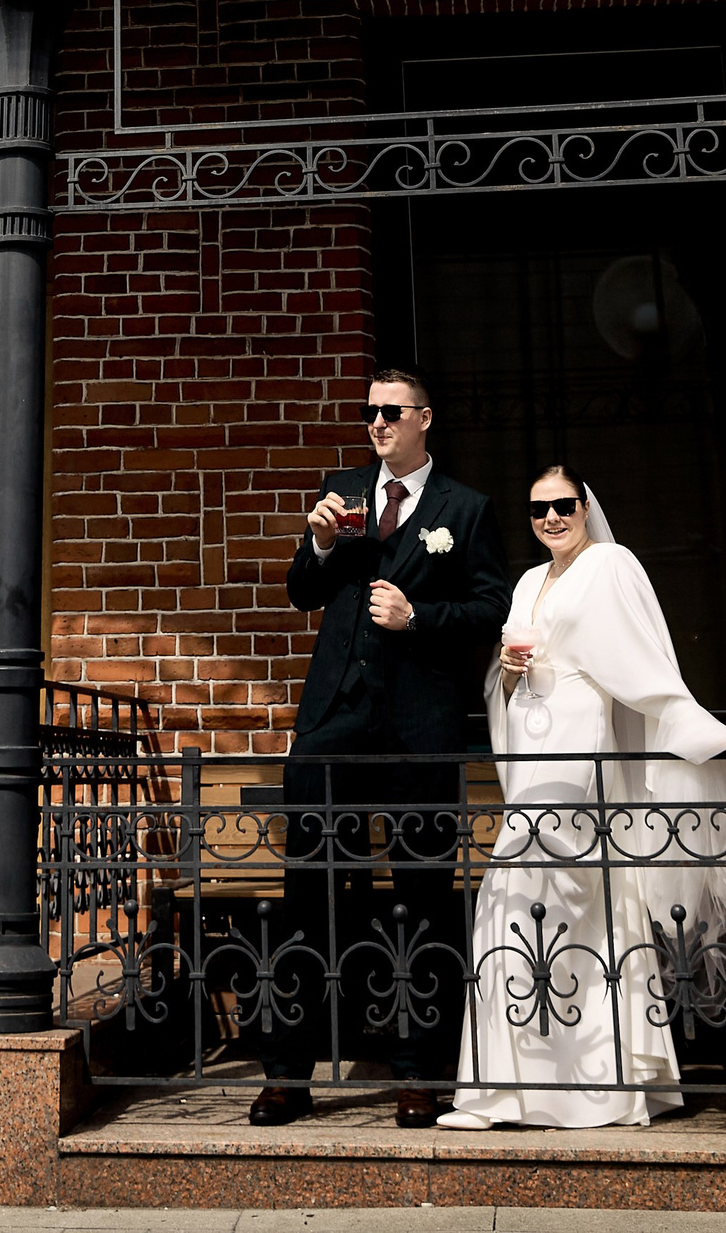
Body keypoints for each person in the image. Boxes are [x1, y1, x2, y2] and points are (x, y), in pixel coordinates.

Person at [440, 462, 726, 1132]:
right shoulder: (527, 581)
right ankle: (503, 1090)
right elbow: (505, 681)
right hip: (532, 746)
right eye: (539, 509)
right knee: (516, 901)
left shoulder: (611, 564)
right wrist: (506, 674)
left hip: (582, 742)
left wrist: (704, 732)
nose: (552, 518)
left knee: (553, 889)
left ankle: (594, 1084)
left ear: (584, 505)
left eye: (564, 504)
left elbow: (646, 666)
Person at [252, 367, 511, 1132]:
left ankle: (418, 1072)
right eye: (370, 412)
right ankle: (288, 1074)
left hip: (419, 725)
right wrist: (320, 542)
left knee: (421, 897)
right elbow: (302, 591)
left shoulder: (465, 508)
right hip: (333, 717)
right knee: (310, 890)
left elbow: (490, 606)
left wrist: (417, 616)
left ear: (424, 418)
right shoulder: (342, 492)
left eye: (392, 411)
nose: (378, 422)